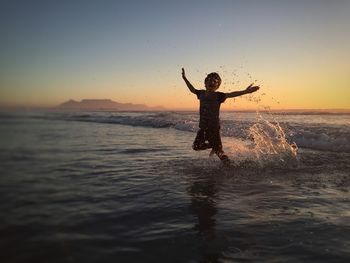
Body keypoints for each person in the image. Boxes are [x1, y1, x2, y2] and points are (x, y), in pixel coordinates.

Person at [182, 68, 259, 164]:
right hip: (203, 128)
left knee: (220, 153)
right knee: (196, 146)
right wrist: (184, 78)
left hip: (213, 128)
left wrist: (246, 91)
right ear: (205, 83)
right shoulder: (201, 93)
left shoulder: (219, 96)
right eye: (209, 80)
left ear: (217, 86)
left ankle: (231, 166)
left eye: (215, 81)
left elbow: (232, 94)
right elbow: (191, 89)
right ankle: (213, 146)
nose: (212, 82)